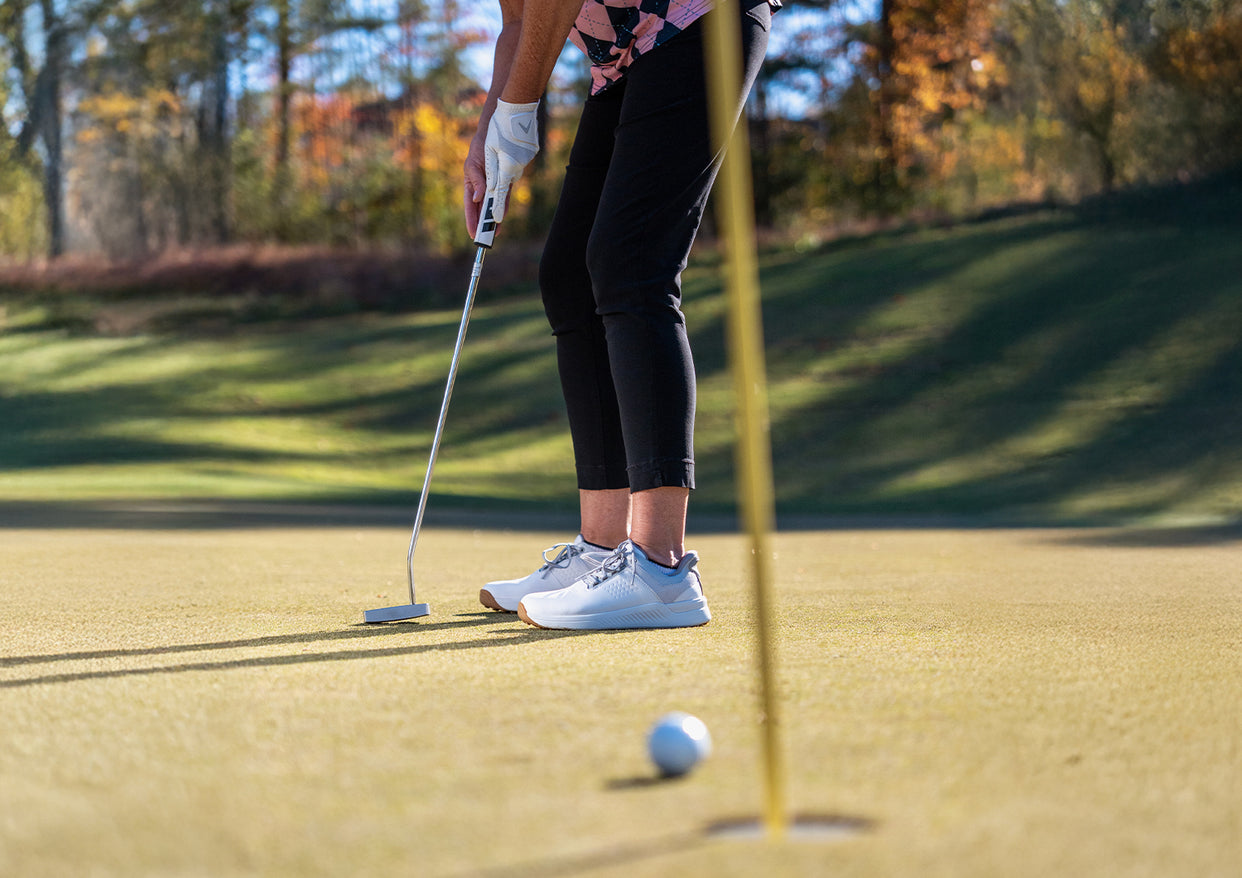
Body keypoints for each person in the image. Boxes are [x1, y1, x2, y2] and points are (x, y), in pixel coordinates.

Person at [464, 0, 775, 630]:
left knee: (632, 264)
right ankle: (601, 551)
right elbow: (520, 22)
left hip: (701, 21)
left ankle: (661, 571)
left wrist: (519, 110)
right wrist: (488, 132)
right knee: (571, 277)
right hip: (626, 60)